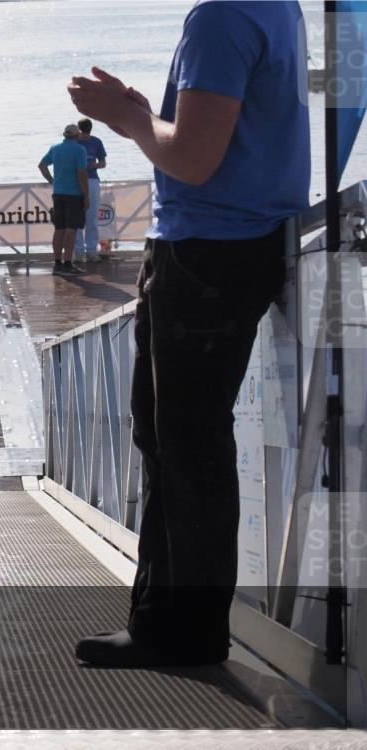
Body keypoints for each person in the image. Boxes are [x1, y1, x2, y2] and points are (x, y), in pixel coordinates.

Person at [67, 0, 310, 667]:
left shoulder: (221, 17)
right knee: (173, 438)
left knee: (184, 446)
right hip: (241, 242)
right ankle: (171, 621)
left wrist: (131, 121)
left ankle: (183, 631)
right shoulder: (274, 7)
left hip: (208, 250)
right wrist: (146, 114)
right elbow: (225, 134)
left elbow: (195, 161)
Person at [39, 124, 89, 275]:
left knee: (59, 229)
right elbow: (81, 174)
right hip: (73, 194)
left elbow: (42, 165)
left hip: (58, 193)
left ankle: (57, 263)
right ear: (77, 135)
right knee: (71, 229)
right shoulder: (80, 150)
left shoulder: (55, 148)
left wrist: (52, 181)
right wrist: (86, 196)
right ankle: (68, 263)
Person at [73, 118, 107, 263]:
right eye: (83, 132)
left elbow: (103, 163)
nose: (85, 135)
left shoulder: (96, 142)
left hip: (92, 179)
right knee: (77, 217)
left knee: (92, 216)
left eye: (87, 133)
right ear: (79, 130)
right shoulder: (74, 142)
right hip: (75, 181)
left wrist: (95, 165)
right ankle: (78, 252)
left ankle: (92, 251)